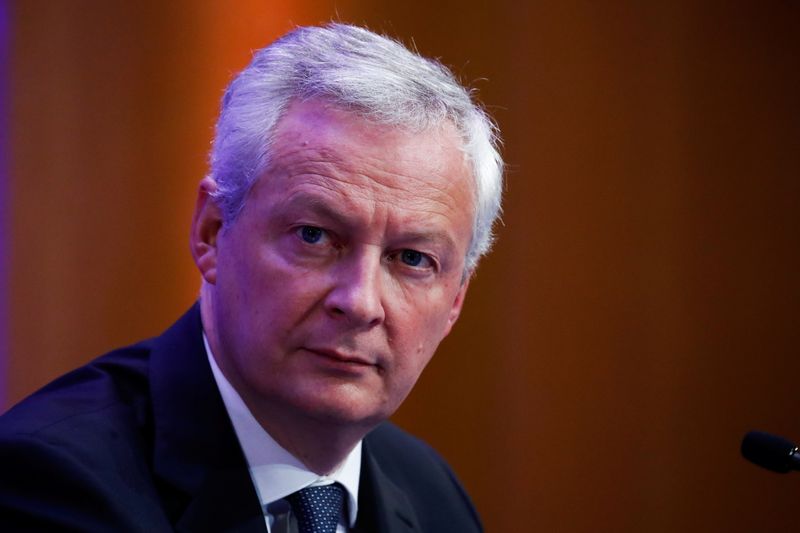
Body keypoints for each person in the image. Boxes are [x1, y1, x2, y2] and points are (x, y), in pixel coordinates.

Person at [0, 23, 503, 532]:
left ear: (456, 299)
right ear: (212, 232)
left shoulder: (433, 495)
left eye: (412, 259)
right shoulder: (49, 486)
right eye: (313, 235)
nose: (360, 302)